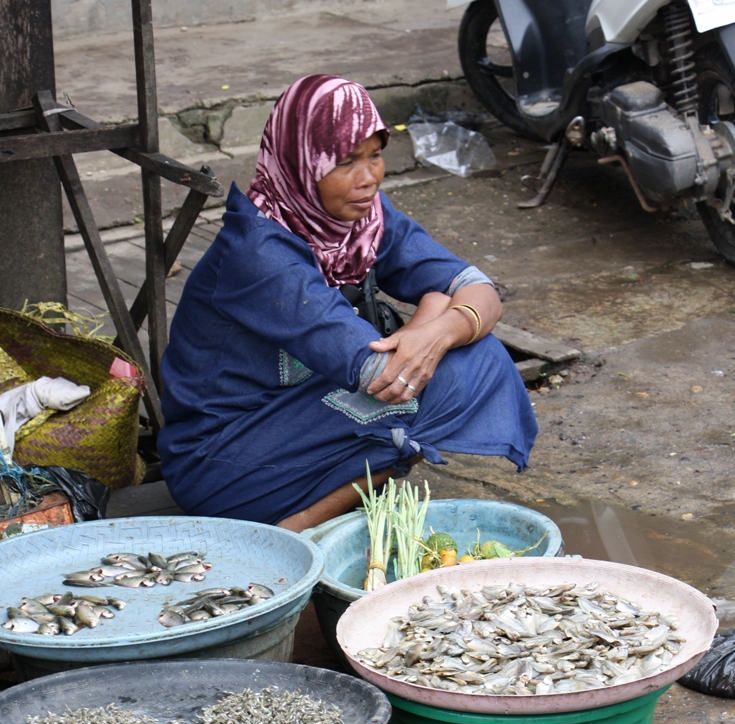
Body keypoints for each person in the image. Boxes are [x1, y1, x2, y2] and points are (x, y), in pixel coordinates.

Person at [158, 74, 537, 531]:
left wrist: (431, 328)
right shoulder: (258, 253)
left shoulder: (363, 218)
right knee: (423, 389)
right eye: (345, 162)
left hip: (300, 416)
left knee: (475, 356)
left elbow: (480, 289)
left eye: (375, 156)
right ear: (302, 162)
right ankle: (296, 528)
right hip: (223, 458)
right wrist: (437, 310)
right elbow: (382, 374)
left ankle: (335, 496)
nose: (368, 177)